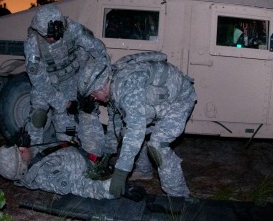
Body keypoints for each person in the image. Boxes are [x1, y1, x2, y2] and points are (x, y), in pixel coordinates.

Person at [78, 51, 197, 198]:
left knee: (157, 145)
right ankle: (144, 171)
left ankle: (179, 195)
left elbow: (135, 131)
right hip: (157, 102)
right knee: (127, 131)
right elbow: (115, 124)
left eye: (93, 95)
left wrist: (121, 173)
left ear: (101, 87)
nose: (94, 99)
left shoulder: (128, 89)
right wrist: (108, 152)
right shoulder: (113, 84)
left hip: (179, 100)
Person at [24, 3, 110, 157]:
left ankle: (86, 155)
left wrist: (96, 80)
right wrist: (64, 103)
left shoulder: (72, 29)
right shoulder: (33, 45)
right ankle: (32, 155)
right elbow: (39, 82)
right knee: (38, 115)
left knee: (80, 117)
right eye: (49, 36)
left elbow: (99, 50)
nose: (53, 39)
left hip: (75, 77)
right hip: (49, 83)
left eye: (57, 34)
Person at [0, 144, 115, 199]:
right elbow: (78, 187)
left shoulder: (32, 159)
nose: (22, 148)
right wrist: (111, 188)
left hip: (83, 150)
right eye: (20, 152)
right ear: (22, 166)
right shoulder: (43, 174)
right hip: (93, 164)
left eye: (18, 148)